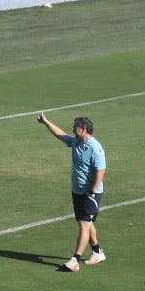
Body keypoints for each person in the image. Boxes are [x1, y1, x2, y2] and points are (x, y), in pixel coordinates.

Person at [38, 112, 107, 272]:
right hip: (77, 190)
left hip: (90, 193)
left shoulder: (95, 148)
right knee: (86, 223)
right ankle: (97, 252)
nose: (73, 129)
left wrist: (93, 190)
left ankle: (74, 260)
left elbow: (101, 171)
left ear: (83, 129)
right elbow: (61, 135)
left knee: (84, 223)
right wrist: (46, 122)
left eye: (75, 127)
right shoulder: (76, 142)